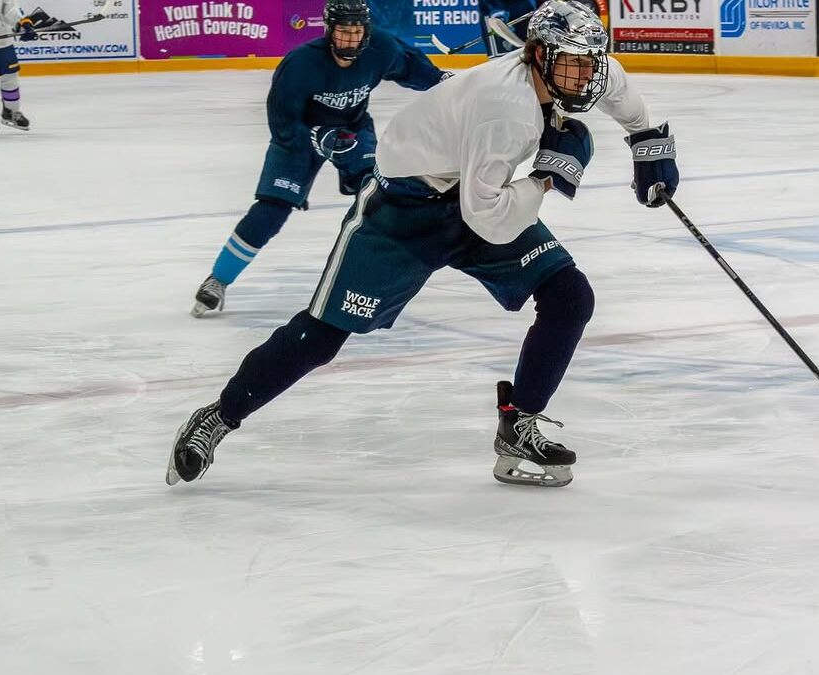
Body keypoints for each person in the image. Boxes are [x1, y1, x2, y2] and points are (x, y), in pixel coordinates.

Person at [166, 0, 679, 489]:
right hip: (405, 209)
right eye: (573, 66)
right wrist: (548, 176)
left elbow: (623, 96)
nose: (586, 77)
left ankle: (518, 426)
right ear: (538, 56)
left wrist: (648, 143)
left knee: (570, 297)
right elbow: (492, 222)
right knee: (322, 335)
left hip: (471, 192)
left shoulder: (580, 69)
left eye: (591, 64)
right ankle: (220, 415)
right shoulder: (508, 112)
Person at [191, 0, 452, 317]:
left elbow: (411, 67)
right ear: (329, 30)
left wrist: (440, 83)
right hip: (298, 140)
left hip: (353, 131)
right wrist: (317, 138)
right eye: (343, 32)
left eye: (357, 32)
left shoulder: (381, 47)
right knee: (271, 211)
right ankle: (218, 279)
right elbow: (283, 122)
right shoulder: (300, 64)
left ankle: (375, 278)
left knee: (378, 199)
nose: (351, 40)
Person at [0, 0, 36, 131]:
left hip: (2, 42)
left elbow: (9, 8)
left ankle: (10, 112)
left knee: (10, 76)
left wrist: (22, 23)